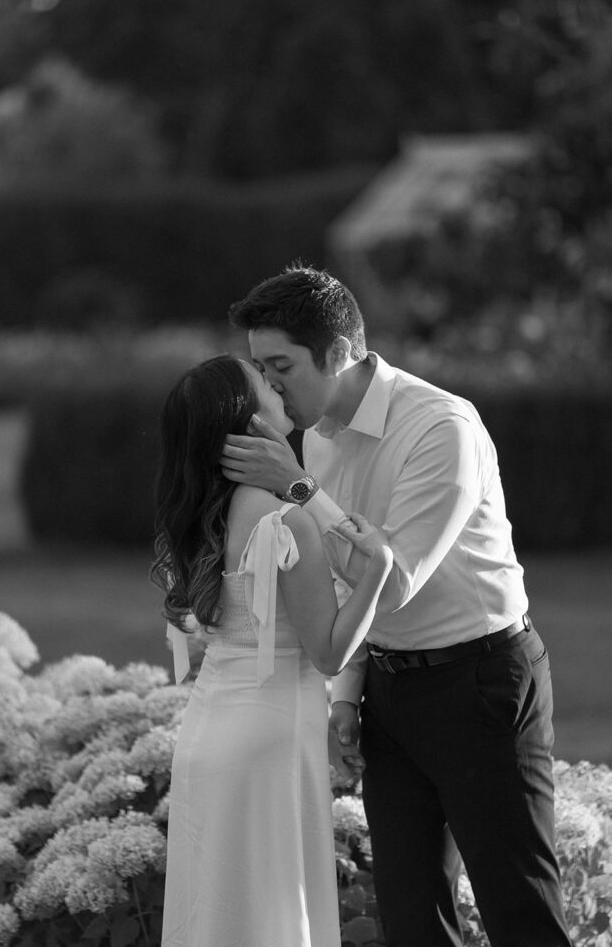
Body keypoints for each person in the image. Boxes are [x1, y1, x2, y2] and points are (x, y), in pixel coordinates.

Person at [220, 266, 572, 947]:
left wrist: (294, 488)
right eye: (260, 366)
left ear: (338, 353)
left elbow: (397, 575)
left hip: (481, 682)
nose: (269, 384)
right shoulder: (317, 434)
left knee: (518, 910)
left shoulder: (441, 427)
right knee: (411, 919)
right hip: (387, 687)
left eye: (282, 365)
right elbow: (347, 580)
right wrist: (347, 694)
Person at [152, 354, 393, 947]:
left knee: (217, 916)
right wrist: (380, 568)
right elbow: (330, 653)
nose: (275, 382)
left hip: (209, 735)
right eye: (261, 379)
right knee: (270, 919)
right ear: (248, 420)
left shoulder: (212, 514)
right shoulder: (288, 522)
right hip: (268, 747)